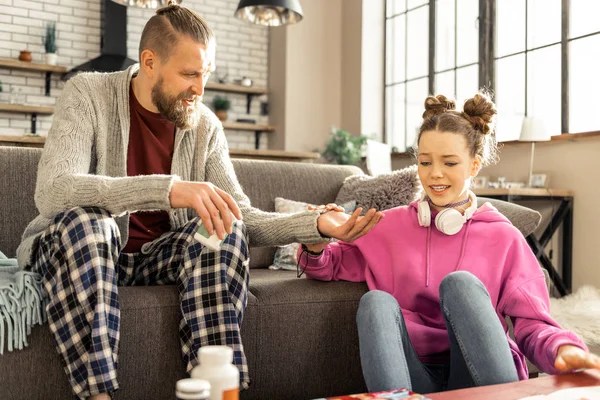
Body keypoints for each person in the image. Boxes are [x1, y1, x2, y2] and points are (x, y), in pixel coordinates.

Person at [16, 4, 381, 400]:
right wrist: (167, 189)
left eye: (204, 74)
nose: (200, 89)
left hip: (157, 259)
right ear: (150, 62)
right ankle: (98, 395)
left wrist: (315, 225)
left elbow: (241, 215)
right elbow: (53, 190)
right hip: (84, 252)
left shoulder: (205, 125)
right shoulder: (88, 93)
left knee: (222, 230)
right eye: (190, 74)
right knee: (91, 223)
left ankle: (216, 389)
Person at [299, 92, 600, 394]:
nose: (435, 174)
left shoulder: (503, 237)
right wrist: (317, 237)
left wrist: (563, 349)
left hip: (481, 373)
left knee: (460, 284)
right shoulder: (386, 226)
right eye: (426, 162)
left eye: (450, 162)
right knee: (375, 303)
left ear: (474, 165)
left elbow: (533, 324)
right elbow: (329, 264)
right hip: (412, 371)